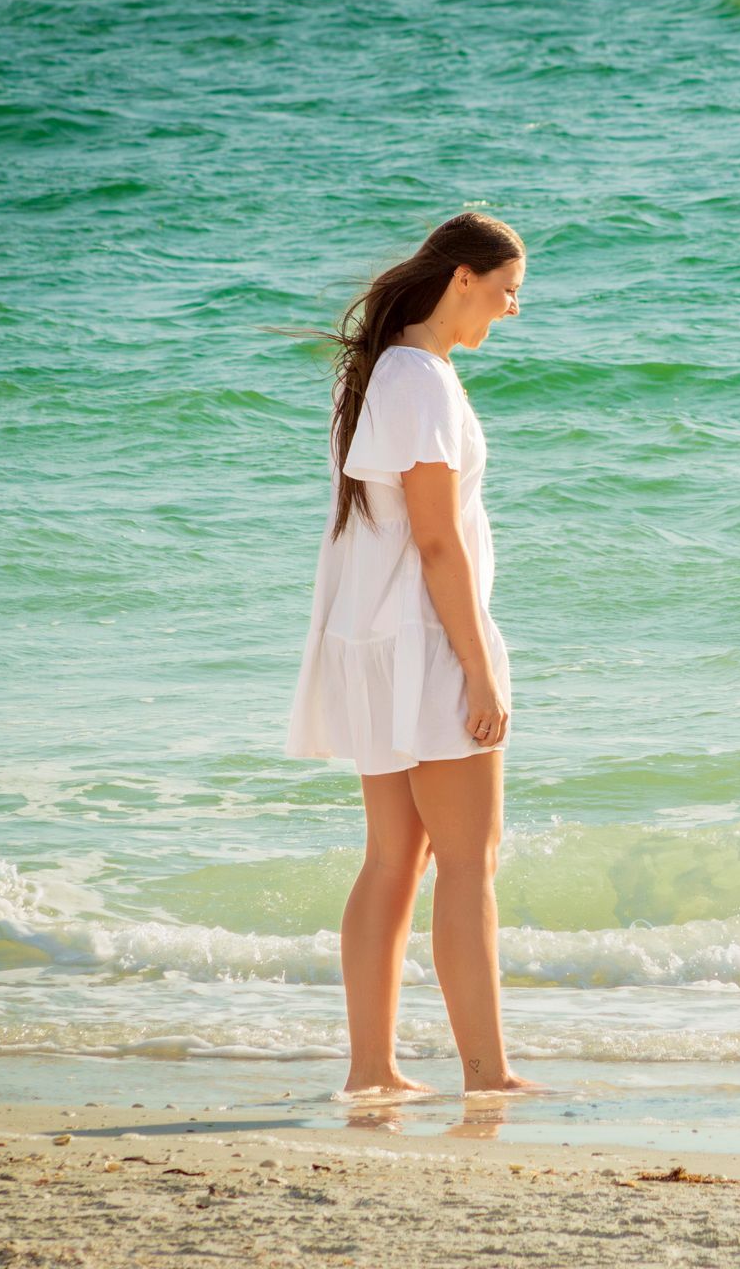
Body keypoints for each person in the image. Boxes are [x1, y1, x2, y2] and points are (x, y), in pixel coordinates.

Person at [286, 211, 535, 1095]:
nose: (511, 312)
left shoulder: (387, 371)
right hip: (425, 640)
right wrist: (477, 665)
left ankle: (372, 1072)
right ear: (461, 279)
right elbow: (438, 543)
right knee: (470, 862)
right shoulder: (421, 380)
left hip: (380, 639)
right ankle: (488, 1075)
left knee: (395, 858)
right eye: (507, 292)